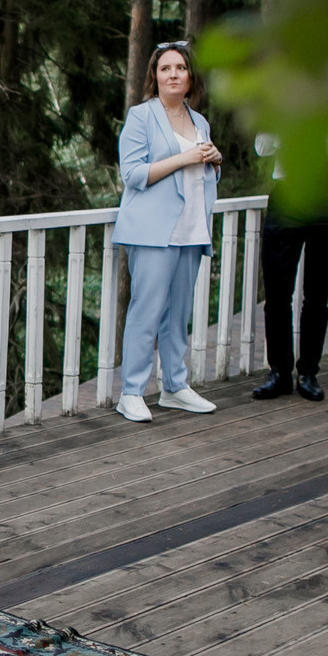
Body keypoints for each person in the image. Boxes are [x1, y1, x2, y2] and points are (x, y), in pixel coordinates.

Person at [113, 42, 222, 422]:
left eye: (180, 68)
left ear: (191, 77)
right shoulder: (141, 116)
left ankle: (175, 387)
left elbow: (201, 175)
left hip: (192, 229)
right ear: (155, 77)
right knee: (146, 312)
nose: (173, 74)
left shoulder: (199, 121)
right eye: (165, 68)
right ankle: (131, 393)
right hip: (152, 232)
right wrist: (184, 157)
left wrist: (214, 161)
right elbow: (132, 174)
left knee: (178, 315)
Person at [252, 137, 328, 403]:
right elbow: (262, 147)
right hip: (288, 195)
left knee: (317, 294)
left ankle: (308, 372)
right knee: (277, 292)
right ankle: (279, 373)